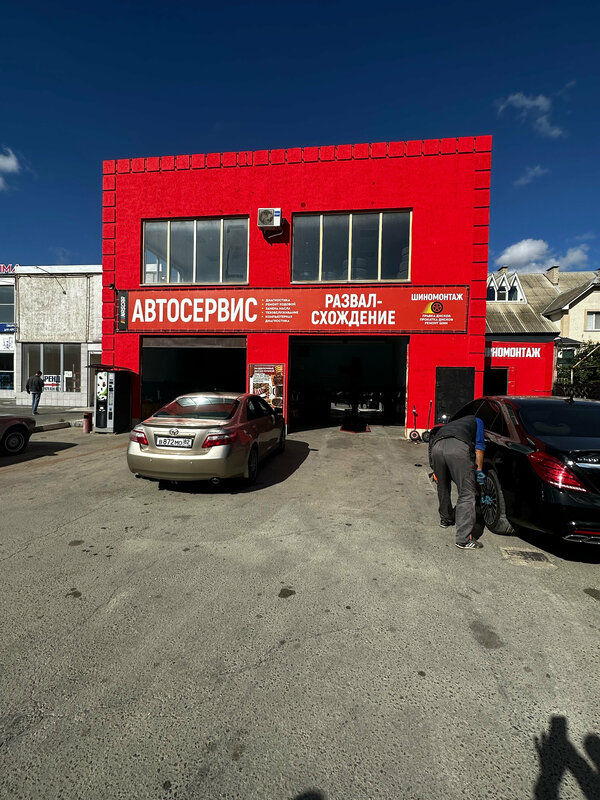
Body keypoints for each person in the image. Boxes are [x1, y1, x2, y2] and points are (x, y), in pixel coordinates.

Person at [429, 413, 486, 550]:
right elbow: (479, 447)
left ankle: (445, 519)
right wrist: (479, 471)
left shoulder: (452, 424)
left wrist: (434, 469)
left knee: (442, 486)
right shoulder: (477, 420)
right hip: (457, 448)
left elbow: (431, 444)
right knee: (467, 493)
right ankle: (463, 540)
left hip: (436, 447)